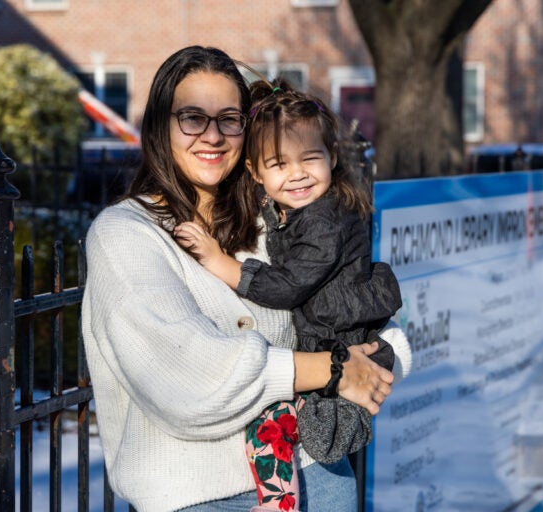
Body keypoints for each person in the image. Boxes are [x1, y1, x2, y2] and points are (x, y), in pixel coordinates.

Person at [81, 45, 410, 512]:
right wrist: (334, 370)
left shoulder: (273, 223)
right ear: (159, 127)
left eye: (229, 119)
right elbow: (191, 381)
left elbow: (372, 321)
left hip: (319, 475)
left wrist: (377, 359)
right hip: (202, 498)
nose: (212, 136)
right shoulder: (125, 236)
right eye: (192, 118)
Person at [174, 78, 404, 512]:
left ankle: (281, 502)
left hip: (337, 344)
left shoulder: (323, 221)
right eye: (279, 164)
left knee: (276, 426)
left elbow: (289, 284)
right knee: (288, 426)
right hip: (332, 342)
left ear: (332, 158)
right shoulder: (301, 209)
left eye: (310, 159)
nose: (296, 173)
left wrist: (224, 264)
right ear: (256, 173)